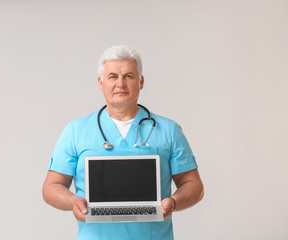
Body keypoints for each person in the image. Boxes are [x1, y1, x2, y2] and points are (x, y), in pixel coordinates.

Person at [42, 45, 204, 240]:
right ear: (101, 83)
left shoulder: (168, 130)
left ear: (141, 82)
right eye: (112, 77)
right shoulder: (76, 131)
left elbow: (193, 184)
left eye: (129, 76)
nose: (121, 83)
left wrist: (174, 202)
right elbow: (51, 186)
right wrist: (72, 201)